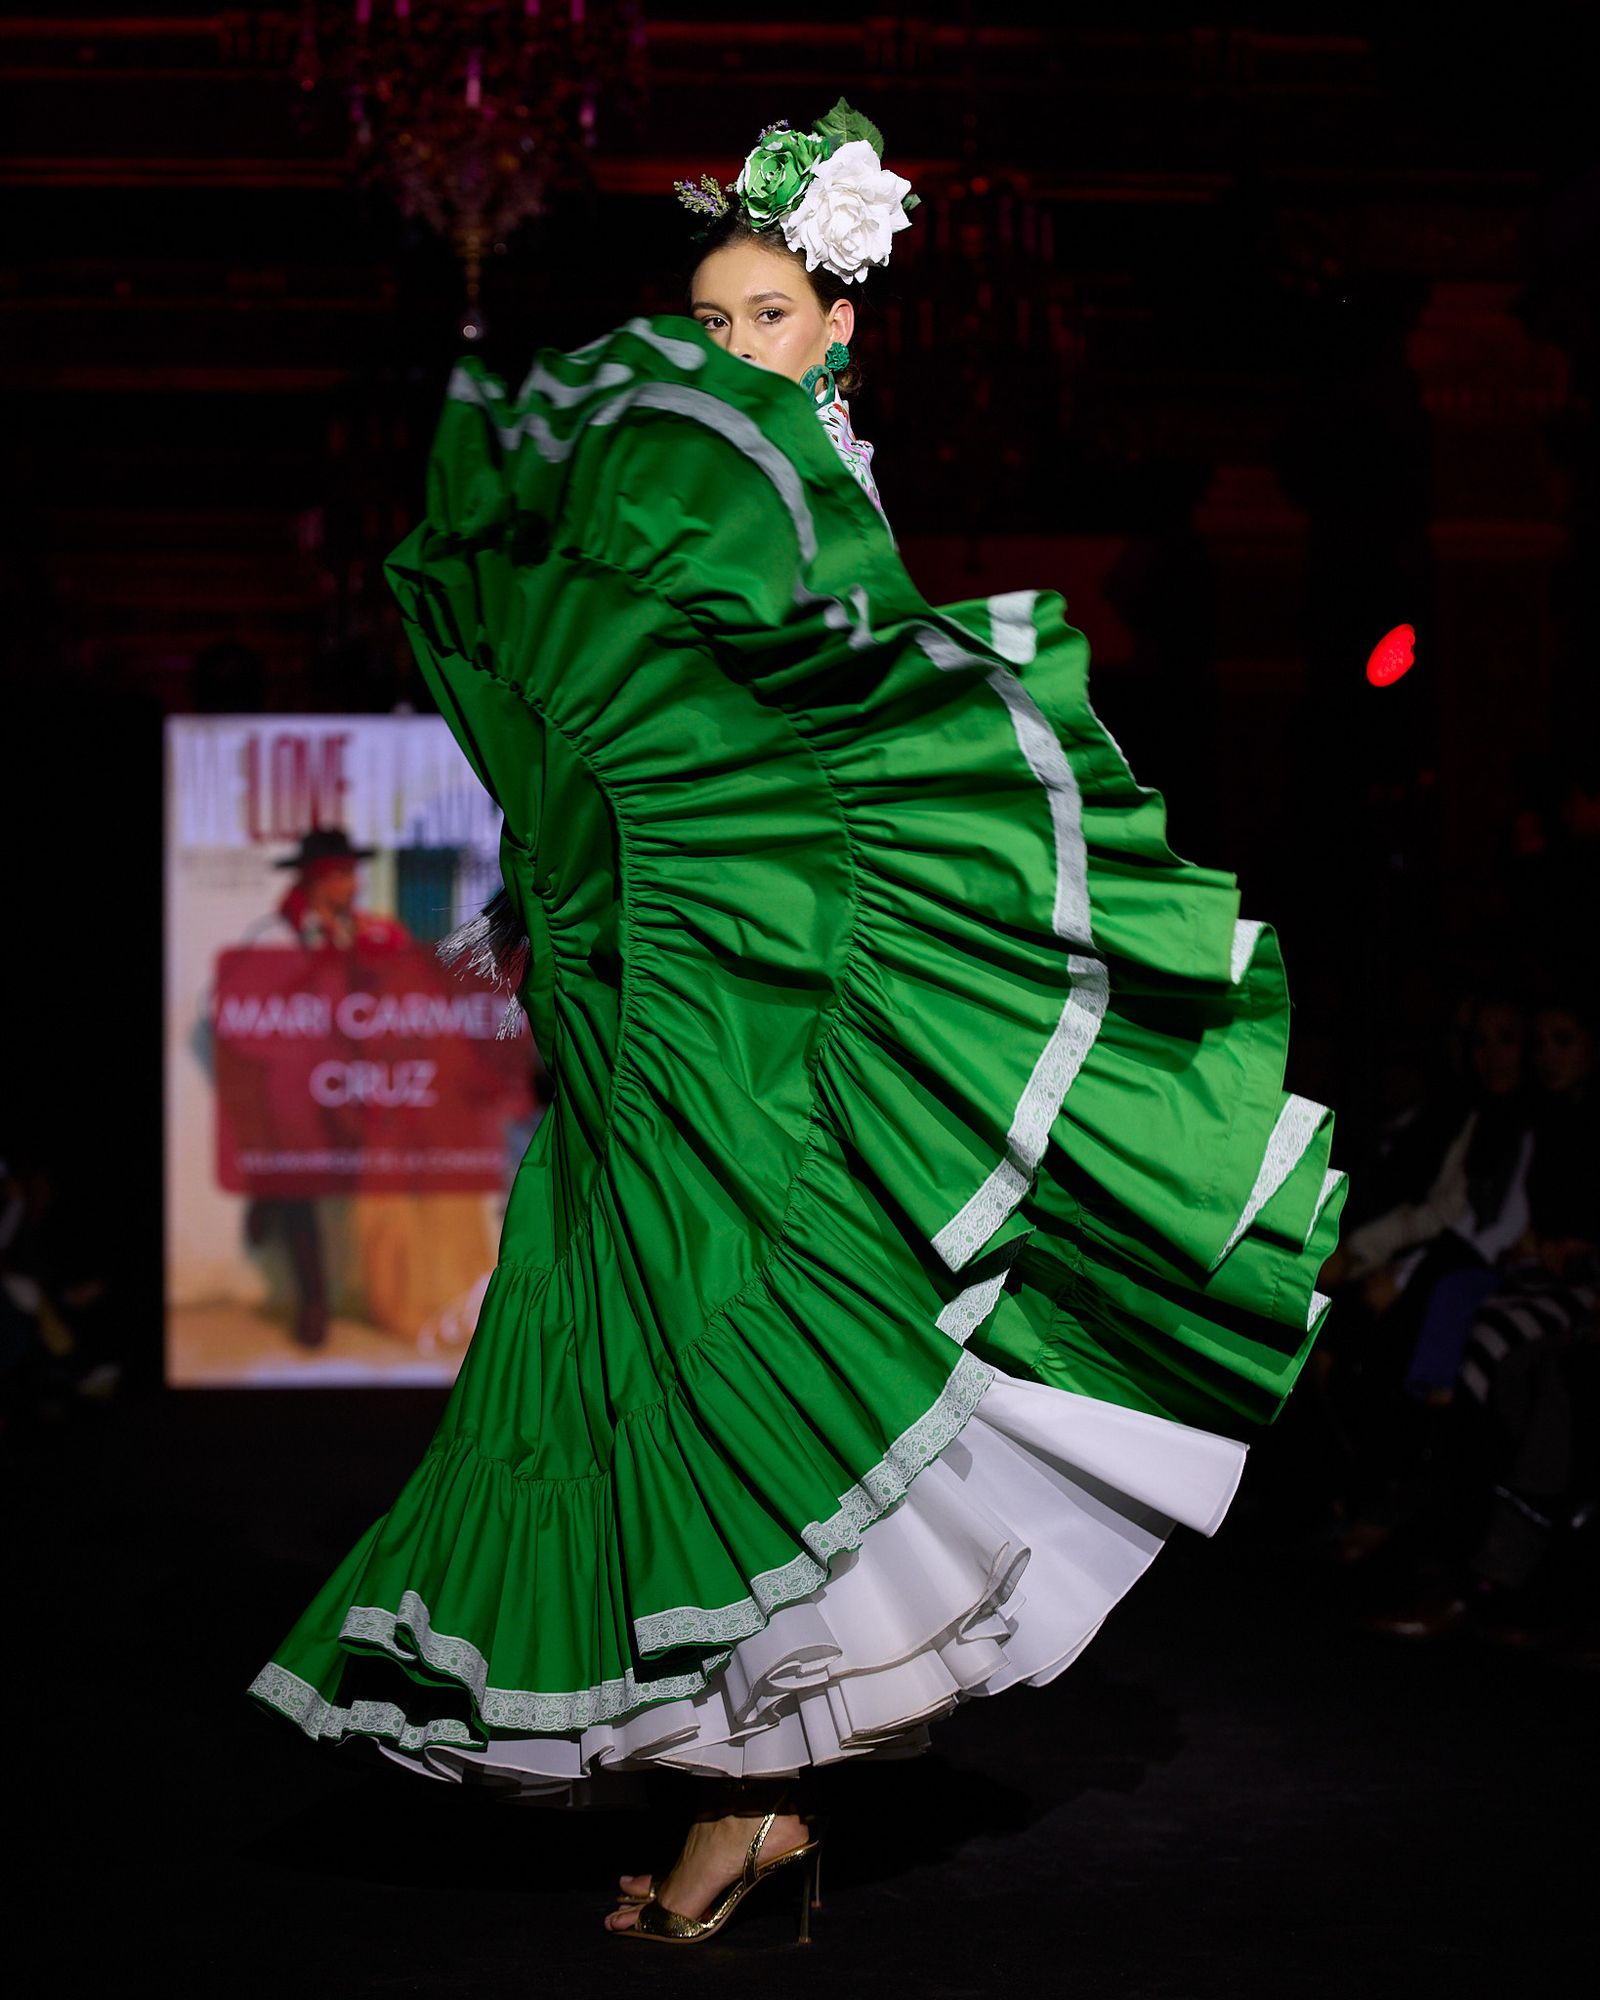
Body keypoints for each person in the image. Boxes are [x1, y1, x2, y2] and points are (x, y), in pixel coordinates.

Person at [249, 101, 1343, 1945]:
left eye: (765, 315)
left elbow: (833, 782)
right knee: (633, 1347)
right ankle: (743, 1787)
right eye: (709, 322)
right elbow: (640, 744)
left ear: (837, 326)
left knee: (731, 1346)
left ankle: (750, 1796)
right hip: (647, 1007)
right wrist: (551, 896)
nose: (733, 346)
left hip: (760, 1023)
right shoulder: (693, 506)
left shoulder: (816, 511)